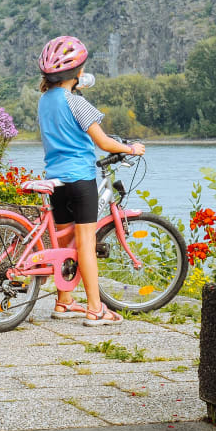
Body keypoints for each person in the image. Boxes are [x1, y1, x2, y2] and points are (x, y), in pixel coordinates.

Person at [37, 35, 144, 326]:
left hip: (55, 181)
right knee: (85, 243)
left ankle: (64, 300)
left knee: (65, 242)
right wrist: (130, 148)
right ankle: (95, 309)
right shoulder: (76, 102)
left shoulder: (44, 101)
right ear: (78, 73)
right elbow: (104, 143)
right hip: (80, 180)